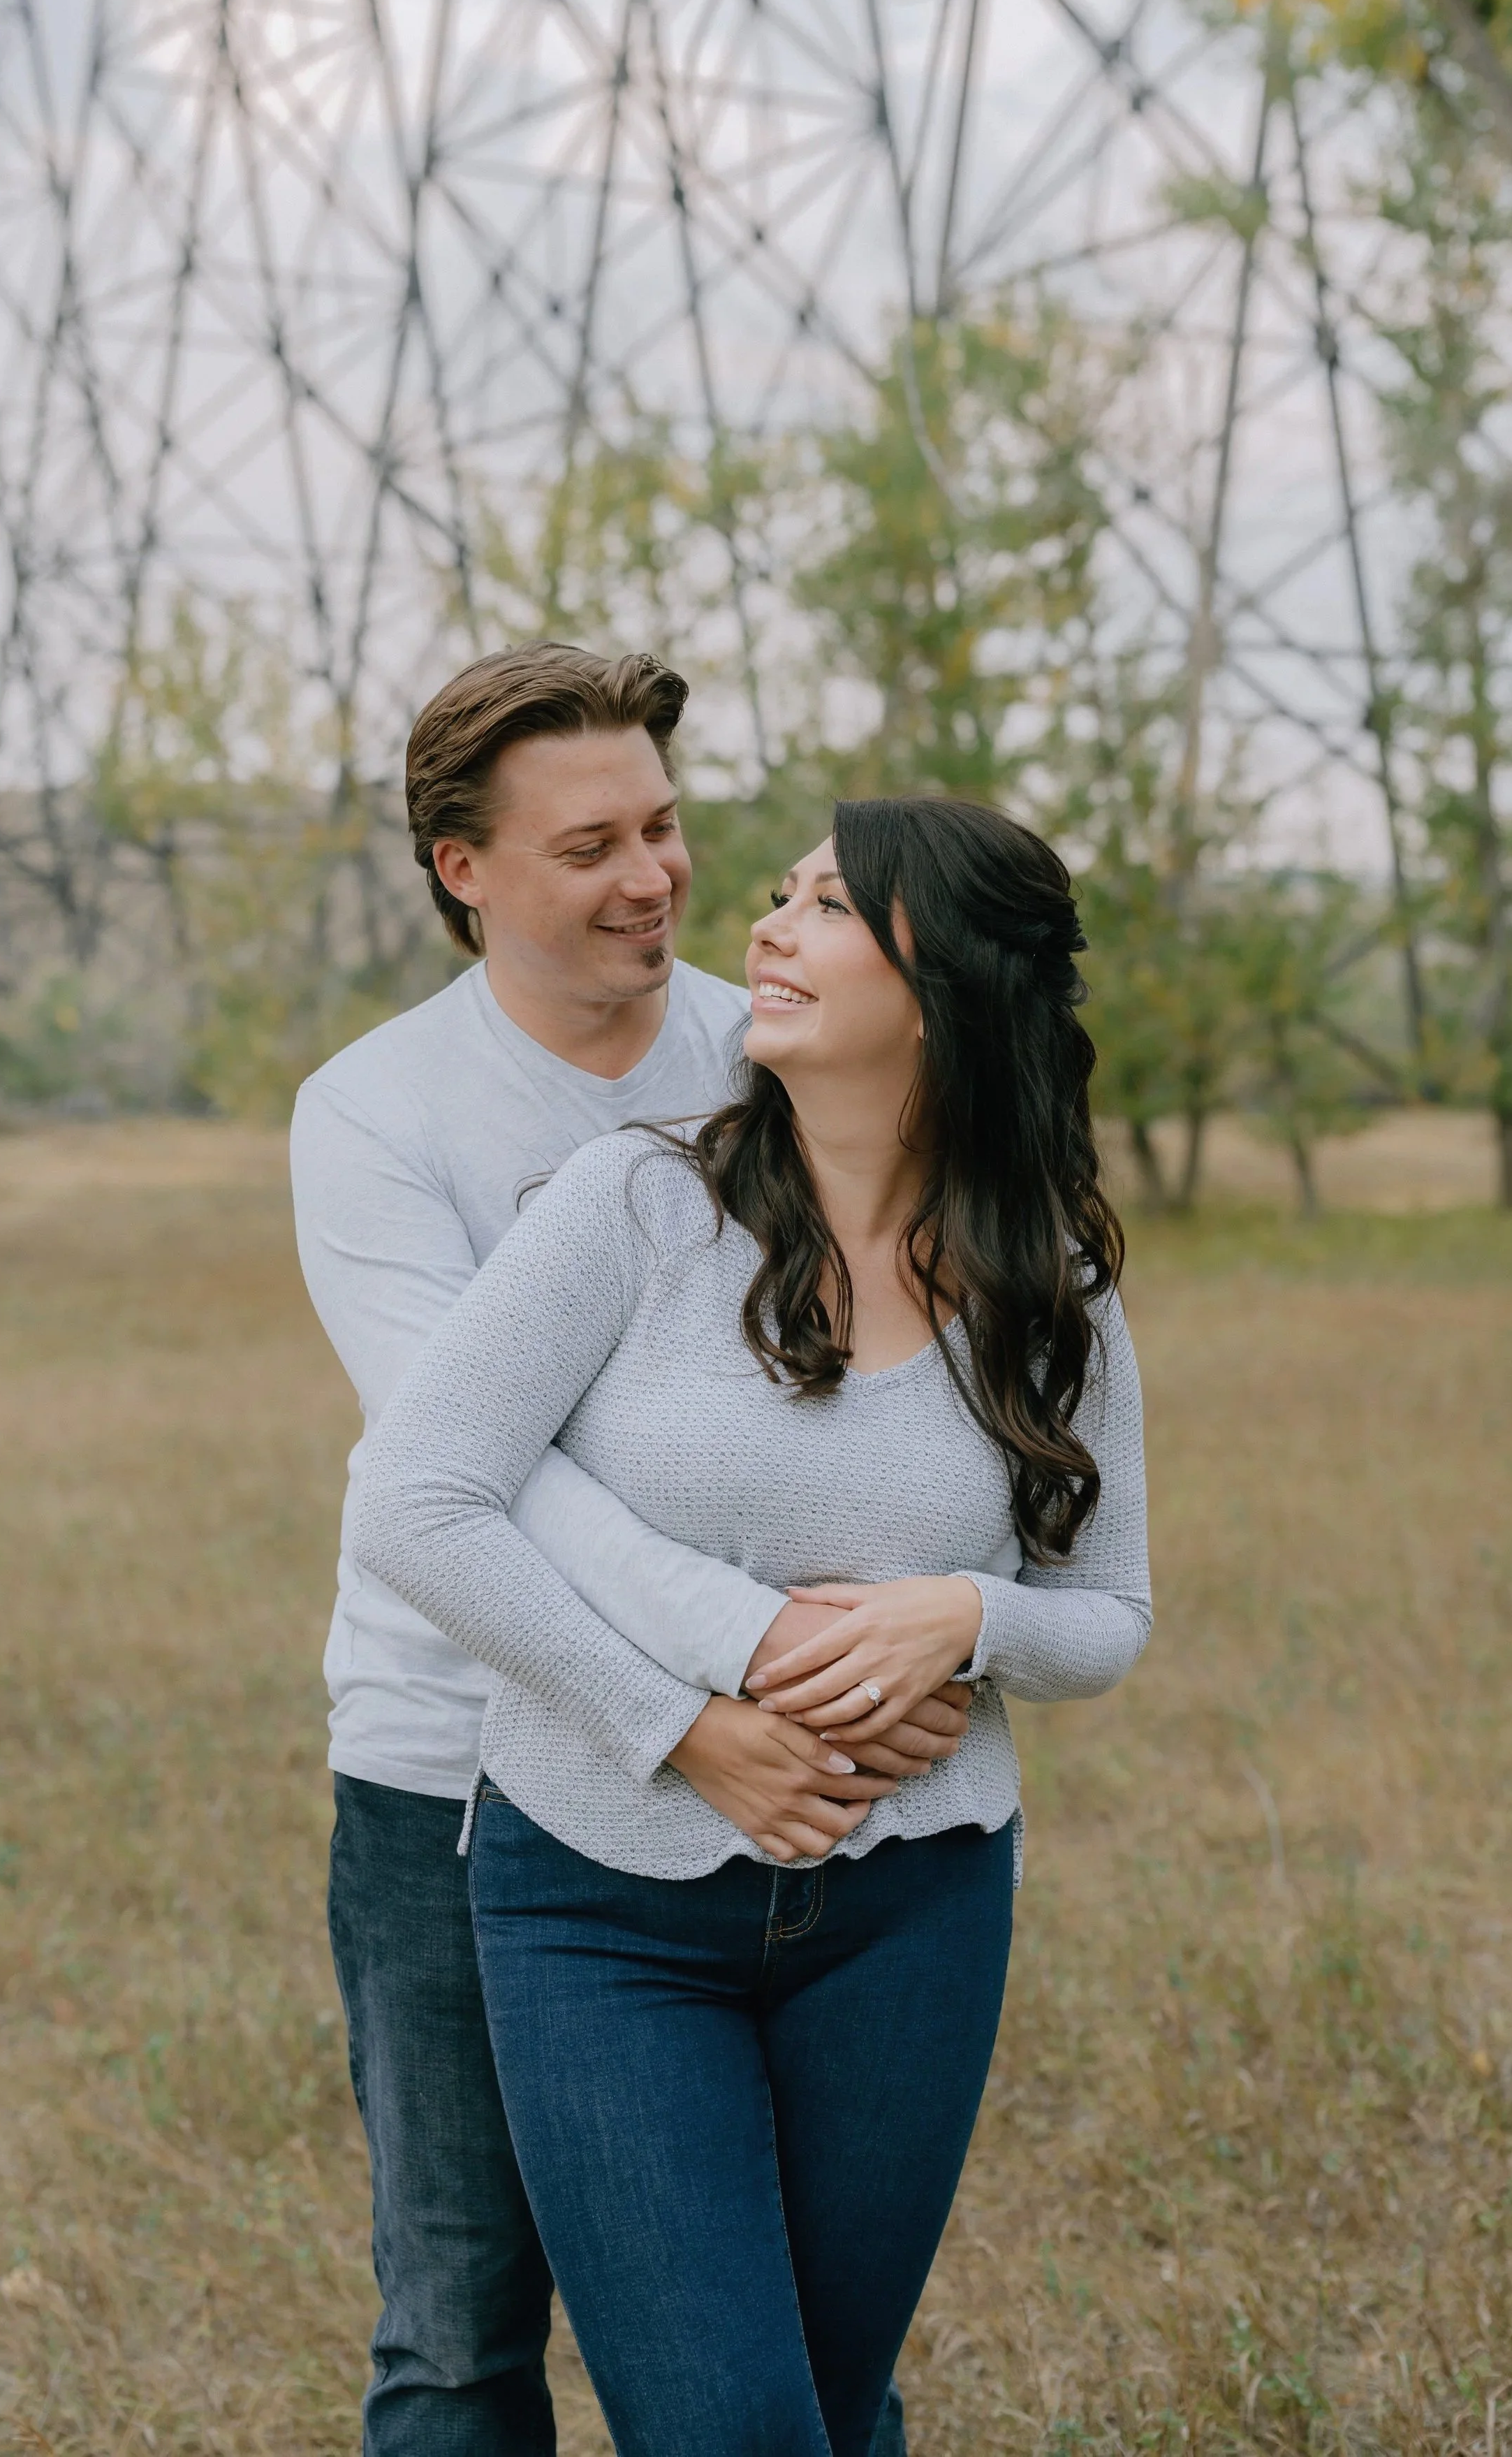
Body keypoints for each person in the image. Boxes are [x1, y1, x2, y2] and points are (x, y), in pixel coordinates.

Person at [351, 795, 1152, 2457]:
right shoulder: (630, 1210)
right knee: (731, 2430)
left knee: (833, 2415)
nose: (763, 931)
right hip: (598, 1908)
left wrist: (968, 1613)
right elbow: (417, 1502)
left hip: (915, 1909)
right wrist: (674, 1730)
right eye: (775, 897)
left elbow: (1106, 1623)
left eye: (828, 909)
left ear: (948, 986)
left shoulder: (1047, 1277)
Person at [290, 643, 964, 2454]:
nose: (654, 876)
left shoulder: (771, 1048)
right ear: (464, 868)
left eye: (665, 826)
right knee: (459, 2331)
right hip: (460, 1769)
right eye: (589, 842)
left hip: (797, 1771)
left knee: (807, 2357)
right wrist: (715, 1687)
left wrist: (920, 1632)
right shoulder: (375, 1114)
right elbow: (468, 1476)